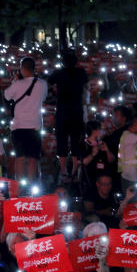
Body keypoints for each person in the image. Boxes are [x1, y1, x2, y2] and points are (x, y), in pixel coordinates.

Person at [3, 57, 47, 184]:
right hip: (36, 126)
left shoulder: (18, 84)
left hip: (19, 126)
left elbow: (6, 96)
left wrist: (15, 81)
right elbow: (43, 98)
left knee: (20, 158)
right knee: (33, 158)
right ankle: (32, 185)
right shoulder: (43, 84)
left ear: (22, 69)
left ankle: (19, 186)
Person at [48, 51, 88, 183]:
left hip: (63, 111)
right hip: (77, 111)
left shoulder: (59, 73)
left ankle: (64, 171)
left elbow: (49, 80)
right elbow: (86, 83)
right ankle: (75, 171)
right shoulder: (81, 73)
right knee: (76, 140)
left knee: (62, 141)